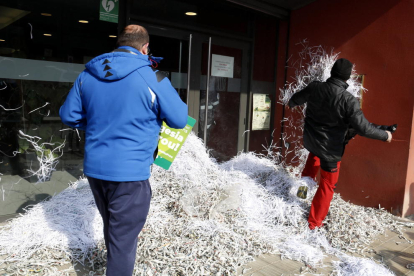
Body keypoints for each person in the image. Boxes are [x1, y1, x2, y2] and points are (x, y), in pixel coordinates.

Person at [59, 25, 188, 275]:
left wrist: (98, 122)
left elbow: (68, 115)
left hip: (96, 171)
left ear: (118, 45)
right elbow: (179, 120)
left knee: (114, 230)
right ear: (145, 47)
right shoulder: (154, 77)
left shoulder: (88, 74)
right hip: (131, 174)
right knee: (123, 242)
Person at [288, 58, 393, 230]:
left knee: (308, 173)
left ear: (332, 72)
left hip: (312, 142)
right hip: (330, 150)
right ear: (347, 77)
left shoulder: (315, 87)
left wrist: (294, 104)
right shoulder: (348, 100)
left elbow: (294, 100)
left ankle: (300, 198)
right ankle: (313, 224)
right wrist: (385, 135)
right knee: (327, 186)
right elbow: (364, 129)